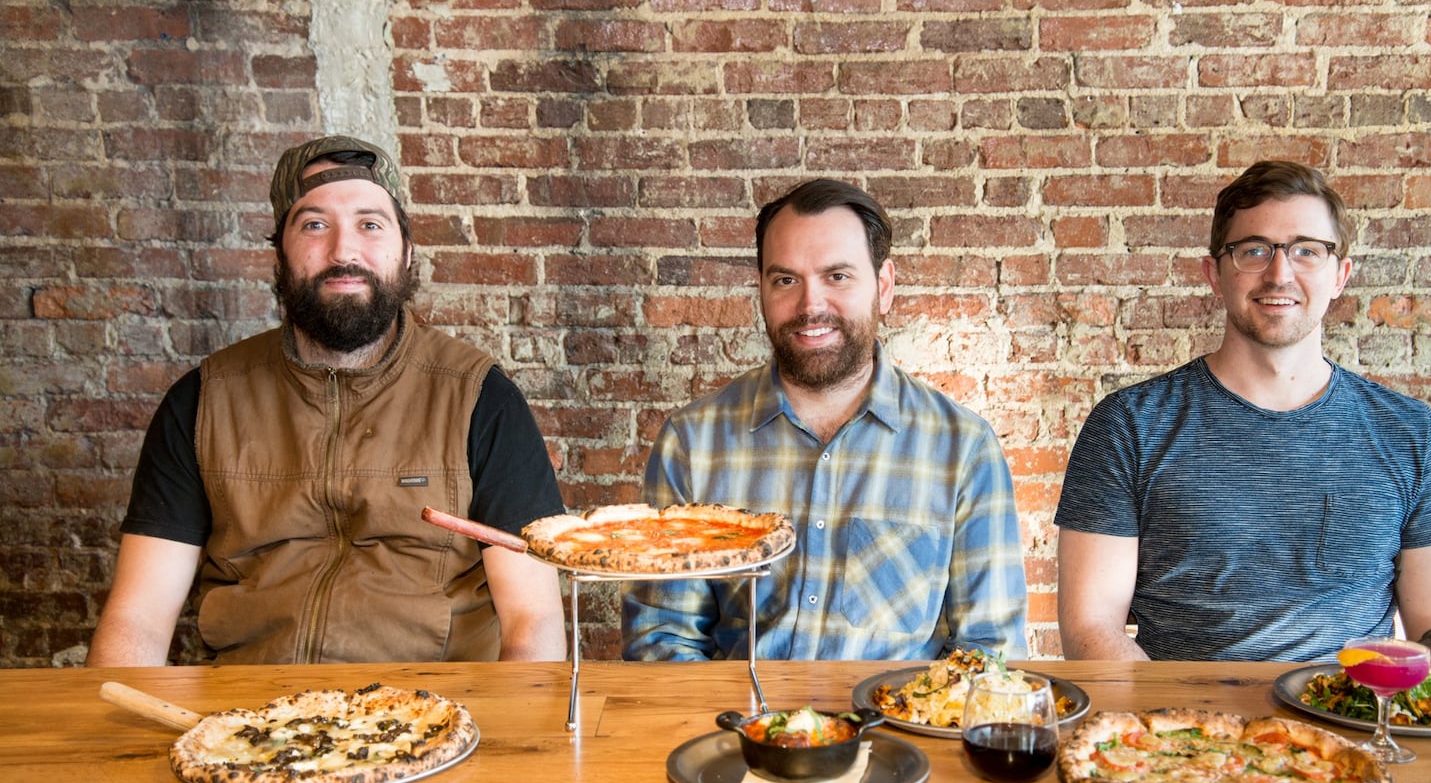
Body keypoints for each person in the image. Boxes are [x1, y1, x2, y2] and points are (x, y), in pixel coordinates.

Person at [87, 135, 567, 666]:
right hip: (249, 718)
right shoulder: (203, 402)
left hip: (436, 712)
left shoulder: (479, 397)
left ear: (406, 251)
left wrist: (524, 736)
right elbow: (138, 618)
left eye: (370, 224)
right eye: (314, 225)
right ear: (280, 252)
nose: (343, 251)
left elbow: (533, 620)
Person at [1054, 160, 1431, 663]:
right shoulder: (1129, 425)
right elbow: (1091, 628)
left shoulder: (1410, 433)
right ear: (1215, 274)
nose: (1280, 274)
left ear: (1340, 275)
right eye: (1253, 250)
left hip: (1351, 721)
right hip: (1181, 730)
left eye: (1307, 251)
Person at [623, 178, 1028, 662]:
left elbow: (989, 654)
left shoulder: (963, 449)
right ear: (762, 290)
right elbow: (664, 641)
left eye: (837, 276)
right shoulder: (692, 443)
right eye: (786, 280)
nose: (810, 305)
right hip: (737, 731)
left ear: (884, 286)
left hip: (895, 733)